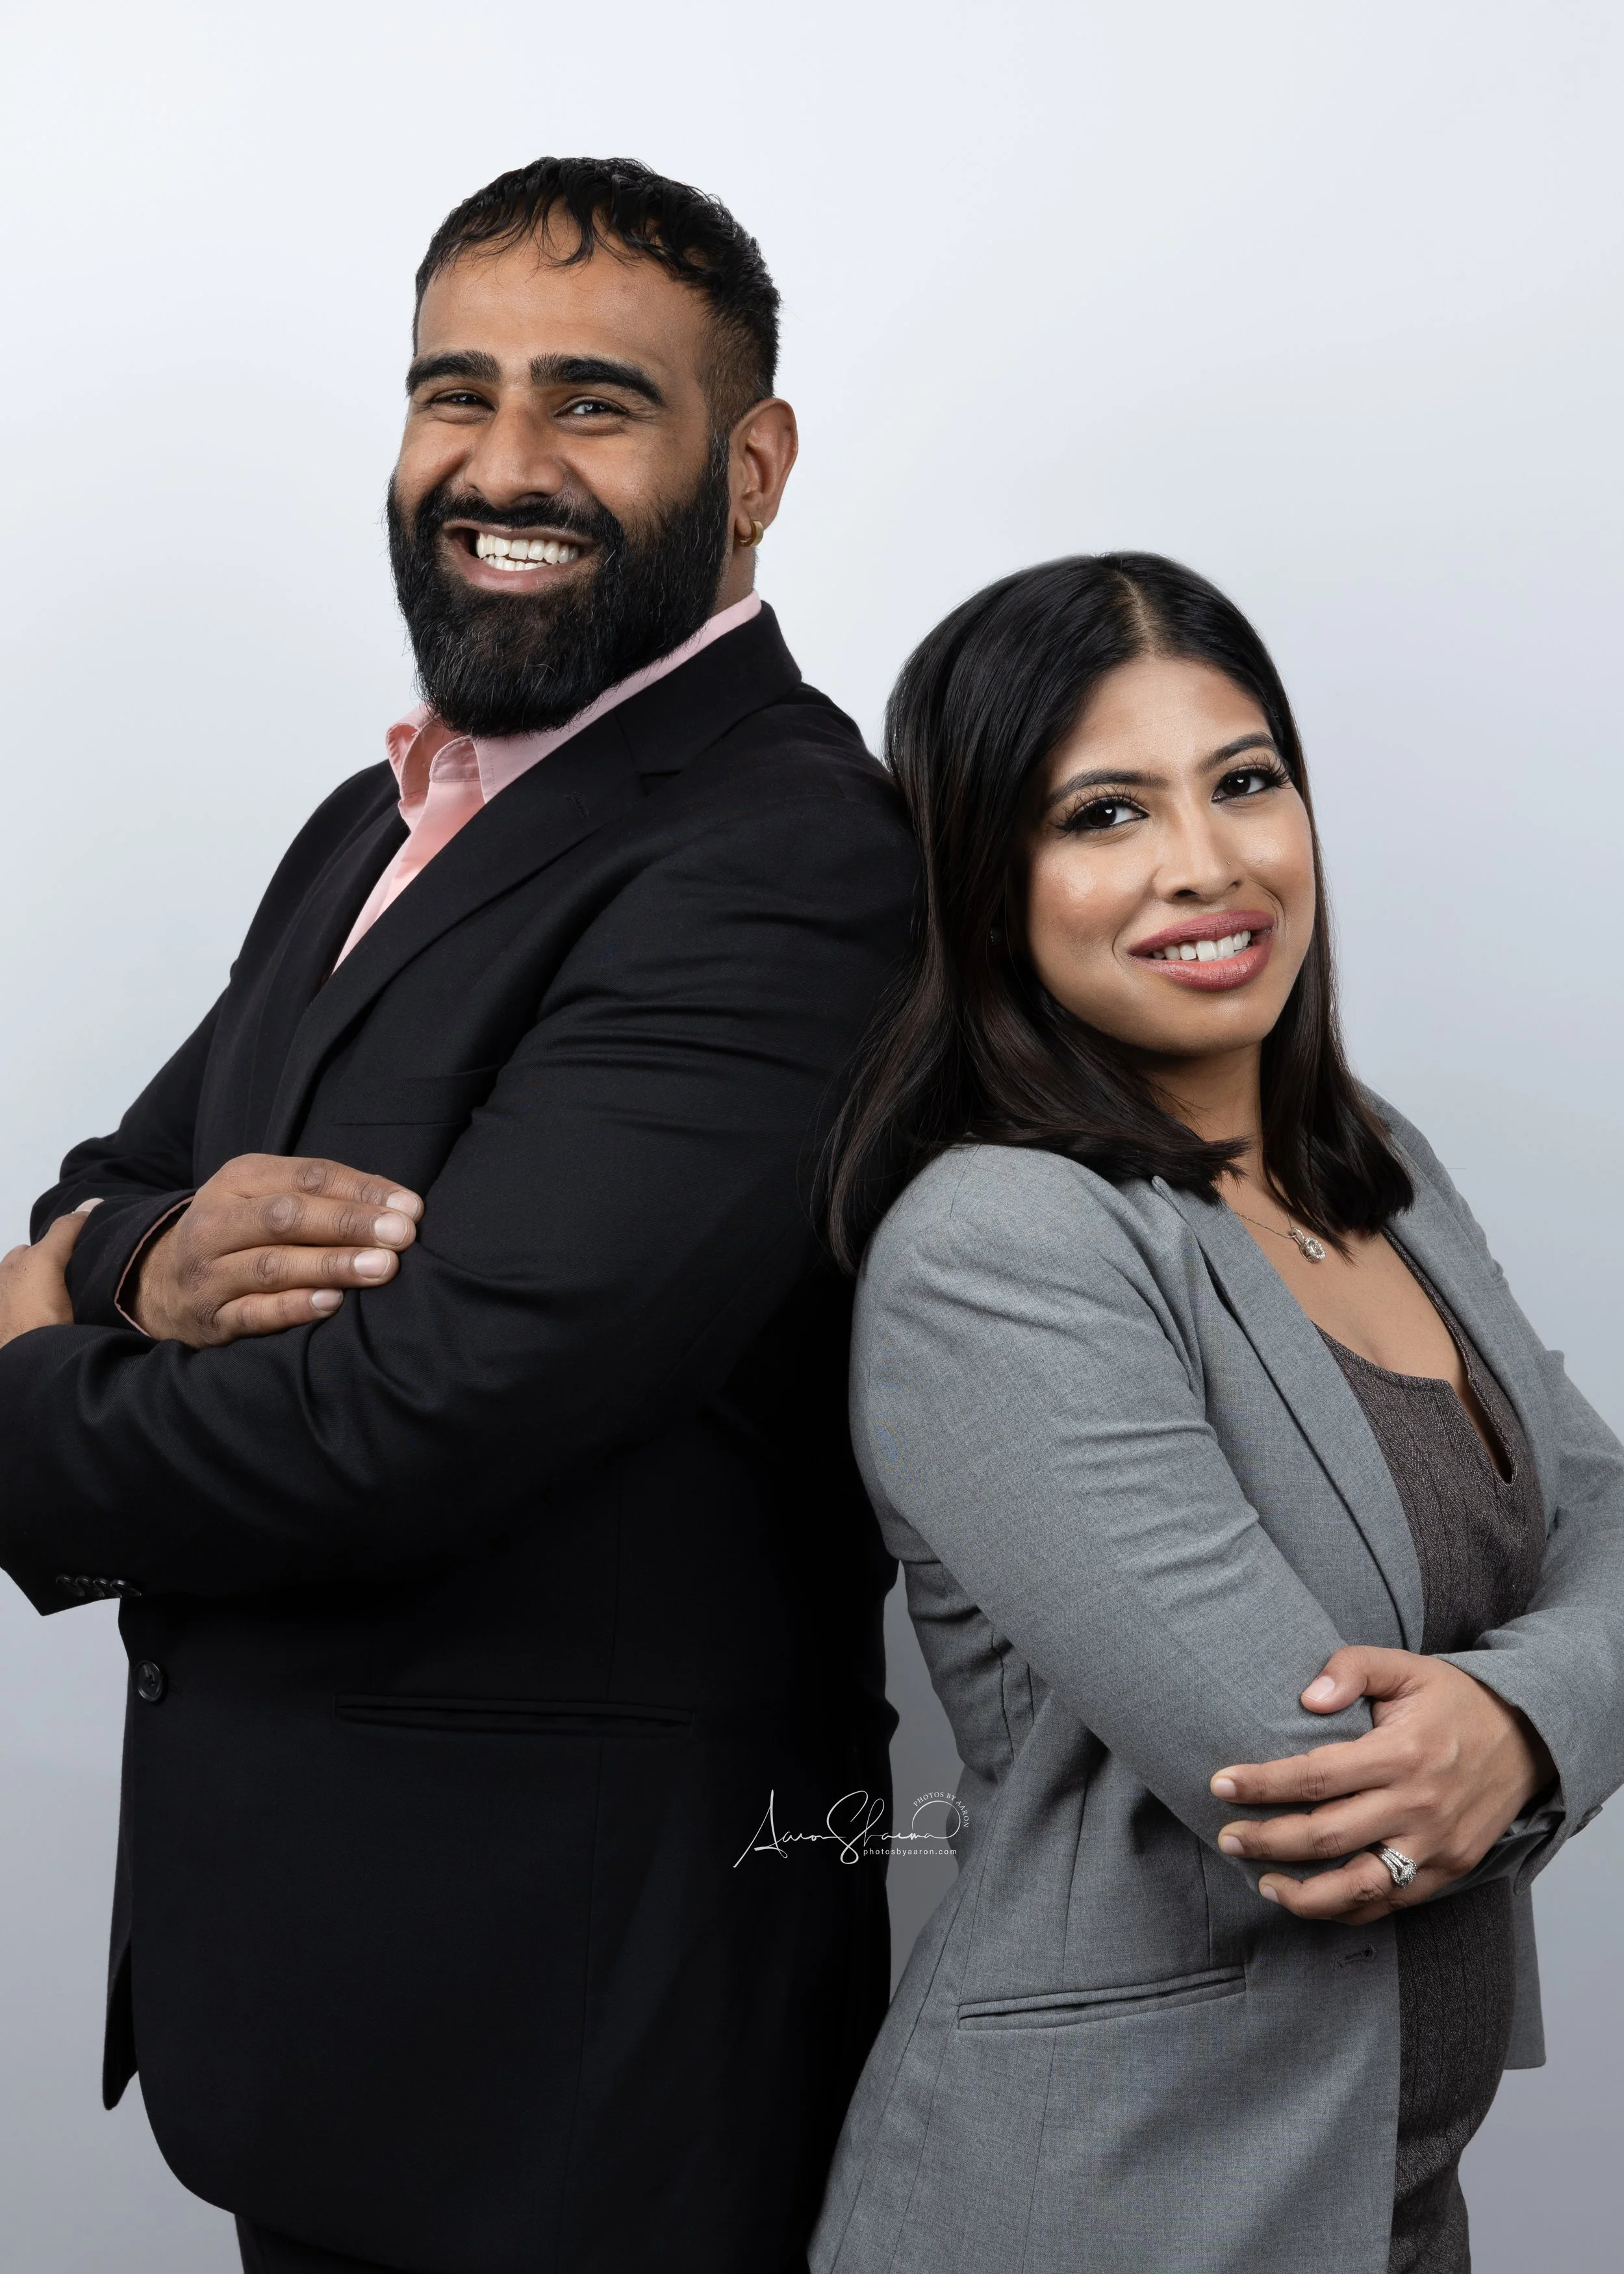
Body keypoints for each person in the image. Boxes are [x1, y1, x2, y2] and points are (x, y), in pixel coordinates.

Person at [0, 157, 914, 2274]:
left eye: (594, 403)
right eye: (451, 393)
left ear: (750, 465)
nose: (502, 465)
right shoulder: (380, 811)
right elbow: (108, 1182)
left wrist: (28, 1380)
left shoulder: (787, 859)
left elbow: (413, 1413)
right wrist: (141, 1262)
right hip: (337, 2019)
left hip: (573, 2069)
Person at [814, 553, 1624, 2274]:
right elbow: (1325, 1797)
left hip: (1386, 2194)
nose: (1206, 863)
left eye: (1244, 780)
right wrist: (1548, 1711)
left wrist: (1521, 1724)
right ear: (984, 876)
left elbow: (1606, 1514)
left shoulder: (1370, 1162)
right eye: (1102, 812)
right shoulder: (999, 1244)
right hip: (1118, 2202)